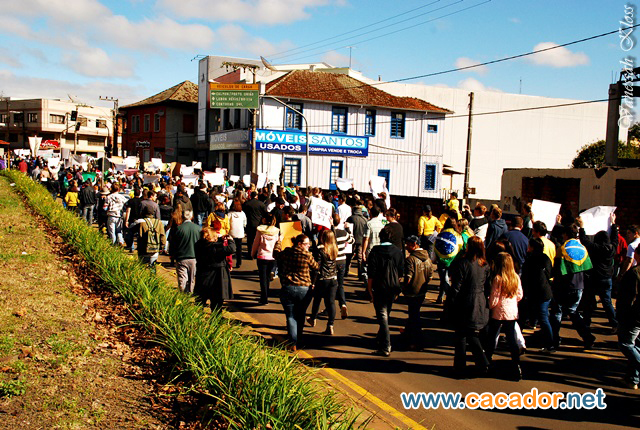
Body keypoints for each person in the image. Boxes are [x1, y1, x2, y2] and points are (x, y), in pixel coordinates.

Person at [446, 236, 490, 377]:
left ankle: (465, 364)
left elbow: (457, 286)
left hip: (465, 301)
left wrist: (451, 301)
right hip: (479, 300)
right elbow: (486, 284)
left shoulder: (463, 263)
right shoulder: (484, 264)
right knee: (468, 332)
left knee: (463, 334)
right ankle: (478, 363)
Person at [550, 223, 596, 350]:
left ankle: (554, 339)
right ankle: (587, 336)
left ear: (565, 234)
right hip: (579, 285)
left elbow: (558, 269)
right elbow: (587, 267)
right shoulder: (582, 248)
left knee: (557, 312)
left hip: (564, 285)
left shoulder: (562, 249)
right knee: (573, 312)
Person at [274, 234, 319, 351]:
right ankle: (299, 338)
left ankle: (292, 341)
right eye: (306, 244)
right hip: (304, 288)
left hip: (288, 287)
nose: (308, 246)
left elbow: (276, 254)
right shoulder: (307, 255)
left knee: (290, 316)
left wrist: (278, 242)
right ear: (300, 244)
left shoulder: (287, 252)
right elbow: (316, 266)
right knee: (301, 314)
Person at [485, 252, 524, 380]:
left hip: (499, 311)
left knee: (492, 337)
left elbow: (495, 298)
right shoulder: (515, 277)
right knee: (512, 339)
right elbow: (519, 295)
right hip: (511, 312)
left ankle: (487, 361)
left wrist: (489, 305)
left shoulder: (498, 278)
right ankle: (516, 364)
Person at [577, 214, 618, 331]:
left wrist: (582, 227)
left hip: (594, 277)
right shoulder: (612, 248)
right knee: (607, 301)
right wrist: (613, 224)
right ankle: (614, 323)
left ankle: (586, 322)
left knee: (589, 300)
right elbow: (615, 238)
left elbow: (584, 240)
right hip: (607, 277)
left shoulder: (595, 248)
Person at [367, 228, 404, 357]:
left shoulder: (375, 251)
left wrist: (369, 289)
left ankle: (386, 345)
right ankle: (380, 338)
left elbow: (371, 273)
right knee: (386, 313)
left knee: (382, 315)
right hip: (393, 287)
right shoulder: (397, 252)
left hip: (379, 287)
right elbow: (400, 273)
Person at [521, 237, 554, 352]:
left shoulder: (530, 260)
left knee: (541, 317)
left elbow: (526, 278)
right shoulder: (546, 258)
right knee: (543, 317)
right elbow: (549, 273)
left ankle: (550, 343)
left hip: (536, 293)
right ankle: (549, 342)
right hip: (545, 292)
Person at [402, 235, 434, 350]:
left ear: (415, 245)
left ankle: (415, 340)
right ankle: (409, 334)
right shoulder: (428, 259)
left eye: (408, 245)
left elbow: (408, 278)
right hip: (422, 291)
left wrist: (403, 287)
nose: (406, 247)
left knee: (413, 316)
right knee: (415, 314)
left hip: (412, 291)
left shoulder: (410, 259)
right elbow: (430, 276)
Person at [194, 227, 236, 310]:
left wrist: (220, 239)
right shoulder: (215, 248)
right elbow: (231, 249)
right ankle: (215, 316)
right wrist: (231, 240)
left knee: (201, 299)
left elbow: (209, 244)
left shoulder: (199, 245)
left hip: (203, 276)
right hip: (217, 277)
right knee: (216, 302)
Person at [617, 246, 640, 390]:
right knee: (636, 346)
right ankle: (633, 379)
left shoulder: (634, 273)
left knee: (626, 344)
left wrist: (621, 315)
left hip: (634, 316)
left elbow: (628, 298)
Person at [307, 230, 339, 335]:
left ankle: (313, 318)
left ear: (323, 238)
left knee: (317, 299)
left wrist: (313, 281)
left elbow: (317, 267)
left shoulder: (321, 250)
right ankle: (330, 324)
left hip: (323, 278)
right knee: (331, 302)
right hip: (333, 278)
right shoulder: (335, 249)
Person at [251, 214, 280, 304]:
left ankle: (264, 297)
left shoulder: (260, 231)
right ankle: (266, 294)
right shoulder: (276, 231)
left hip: (262, 256)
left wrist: (252, 253)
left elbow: (256, 243)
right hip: (272, 257)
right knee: (267, 278)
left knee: (262, 278)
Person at [434, 218, 464, 304]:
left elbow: (435, 246)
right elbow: (460, 247)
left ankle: (442, 296)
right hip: (454, 260)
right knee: (452, 280)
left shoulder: (441, 234)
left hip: (441, 260)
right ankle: (447, 297)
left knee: (443, 279)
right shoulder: (458, 234)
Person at [171, 209, 201, 293]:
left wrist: (172, 255)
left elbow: (174, 243)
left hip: (181, 257)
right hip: (194, 257)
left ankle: (183, 294)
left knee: (182, 278)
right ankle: (191, 293)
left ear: (182, 217)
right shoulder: (198, 229)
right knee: (192, 278)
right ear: (192, 217)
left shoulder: (179, 228)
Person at [136, 206, 166, 272]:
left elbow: (140, 236)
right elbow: (163, 236)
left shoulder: (142, 222)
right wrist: (162, 246)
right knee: (152, 268)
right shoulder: (159, 222)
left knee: (142, 269)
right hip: (155, 249)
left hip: (144, 249)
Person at [243, 191, 267, 259]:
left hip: (249, 223)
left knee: (249, 240)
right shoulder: (261, 204)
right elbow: (265, 213)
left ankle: (250, 253)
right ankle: (256, 253)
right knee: (257, 240)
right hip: (258, 224)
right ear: (256, 196)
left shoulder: (247, 204)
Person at [228, 198, 247, 268]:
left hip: (231, 233)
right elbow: (245, 223)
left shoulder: (229, 214)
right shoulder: (242, 214)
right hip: (239, 233)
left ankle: (229, 262)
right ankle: (239, 262)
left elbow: (227, 223)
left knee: (230, 248)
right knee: (239, 248)